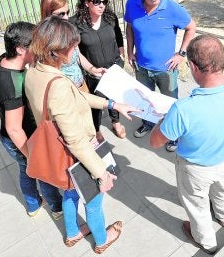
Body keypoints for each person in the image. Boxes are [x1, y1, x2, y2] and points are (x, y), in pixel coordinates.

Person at [25, 15, 139, 253]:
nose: (76, 49)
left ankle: (73, 233)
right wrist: (101, 173)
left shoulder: (35, 70)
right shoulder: (57, 83)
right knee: (94, 200)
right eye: (72, 46)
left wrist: (111, 105)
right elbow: (75, 140)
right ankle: (101, 240)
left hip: (58, 153)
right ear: (56, 51)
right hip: (76, 152)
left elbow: (76, 97)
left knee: (69, 192)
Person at [149, 35, 224, 254]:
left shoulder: (183, 109)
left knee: (197, 205)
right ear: (223, 61)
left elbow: (154, 142)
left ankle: (206, 241)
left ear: (192, 66)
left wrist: (163, 120)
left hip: (196, 169)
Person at [0, 21, 63, 219]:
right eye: (35, 45)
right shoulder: (12, 86)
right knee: (41, 170)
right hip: (20, 138)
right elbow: (14, 128)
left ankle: (33, 204)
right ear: (21, 49)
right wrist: (32, 154)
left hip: (11, 136)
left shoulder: (3, 61)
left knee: (26, 169)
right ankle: (56, 207)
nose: (39, 49)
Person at [124, 0, 196, 149]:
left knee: (171, 104)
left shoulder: (172, 8)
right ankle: (148, 124)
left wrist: (181, 54)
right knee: (145, 100)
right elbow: (130, 27)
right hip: (141, 67)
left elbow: (191, 27)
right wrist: (129, 50)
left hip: (166, 69)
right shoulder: (132, 4)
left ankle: (173, 135)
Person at [70, 0, 127, 140]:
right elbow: (75, 49)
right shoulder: (75, 23)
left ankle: (115, 122)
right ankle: (96, 129)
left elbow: (118, 37)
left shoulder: (110, 17)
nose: (101, 5)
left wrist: (121, 55)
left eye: (104, 1)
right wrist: (90, 68)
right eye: (97, 2)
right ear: (86, 2)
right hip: (94, 73)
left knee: (115, 96)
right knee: (97, 103)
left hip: (114, 68)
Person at [40, 0, 104, 95]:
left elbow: (78, 55)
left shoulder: (68, 30)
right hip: (64, 94)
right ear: (48, 14)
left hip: (82, 87)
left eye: (67, 12)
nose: (66, 17)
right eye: (61, 14)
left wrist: (93, 70)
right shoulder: (42, 40)